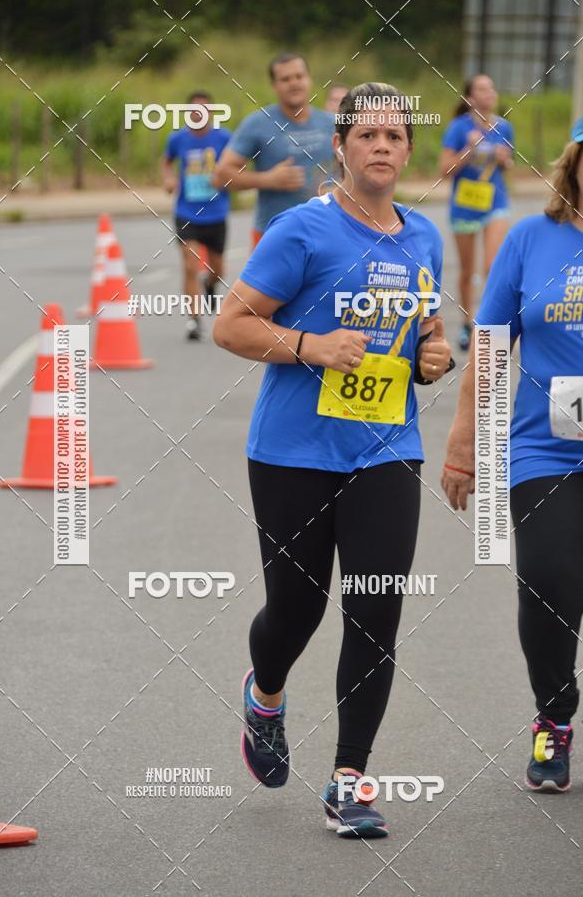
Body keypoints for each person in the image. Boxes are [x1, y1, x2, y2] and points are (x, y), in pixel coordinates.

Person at [214, 82, 453, 837]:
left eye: (395, 137)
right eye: (367, 136)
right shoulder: (301, 231)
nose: (382, 147)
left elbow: (426, 323)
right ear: (342, 146)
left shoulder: (423, 236)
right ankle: (268, 693)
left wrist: (433, 354)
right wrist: (310, 346)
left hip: (387, 449)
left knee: (376, 609)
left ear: (409, 150)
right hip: (292, 454)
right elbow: (231, 325)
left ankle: (350, 779)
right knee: (298, 609)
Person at [443, 119, 583, 793]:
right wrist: (464, 440)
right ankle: (554, 719)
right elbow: (490, 344)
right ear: (574, 162)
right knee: (550, 585)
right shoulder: (532, 239)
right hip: (543, 449)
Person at [212, 53, 334, 249]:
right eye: (285, 79)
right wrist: (268, 180)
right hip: (274, 235)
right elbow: (220, 177)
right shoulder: (258, 124)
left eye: (299, 76)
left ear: (309, 79)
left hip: (328, 231)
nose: (294, 83)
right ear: (274, 85)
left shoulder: (331, 123)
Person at [439, 74, 514, 351]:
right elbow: (444, 171)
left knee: (492, 265)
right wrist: (468, 149)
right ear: (470, 98)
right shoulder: (458, 128)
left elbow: (509, 167)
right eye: (483, 88)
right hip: (465, 205)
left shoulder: (505, 128)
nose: (490, 92)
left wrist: (506, 161)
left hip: (495, 203)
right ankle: (467, 323)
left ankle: (490, 323)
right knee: (468, 270)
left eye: (492, 87)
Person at [163, 91, 231, 341]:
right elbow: (166, 161)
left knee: (218, 270)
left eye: (204, 110)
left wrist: (227, 177)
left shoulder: (224, 138)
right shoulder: (177, 139)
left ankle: (211, 285)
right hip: (186, 212)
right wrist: (169, 178)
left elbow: (238, 165)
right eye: (194, 110)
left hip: (216, 212)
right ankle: (194, 320)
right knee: (190, 265)